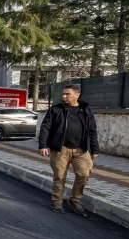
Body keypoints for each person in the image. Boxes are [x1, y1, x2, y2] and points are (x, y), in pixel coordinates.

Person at [38, 83, 99, 215]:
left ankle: (75, 200)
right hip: (60, 149)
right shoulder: (56, 109)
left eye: (68, 94)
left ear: (77, 95)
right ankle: (57, 201)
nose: (64, 96)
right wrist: (43, 145)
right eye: (63, 94)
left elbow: (92, 131)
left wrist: (94, 150)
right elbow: (45, 127)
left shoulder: (86, 110)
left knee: (84, 174)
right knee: (59, 177)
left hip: (81, 149)